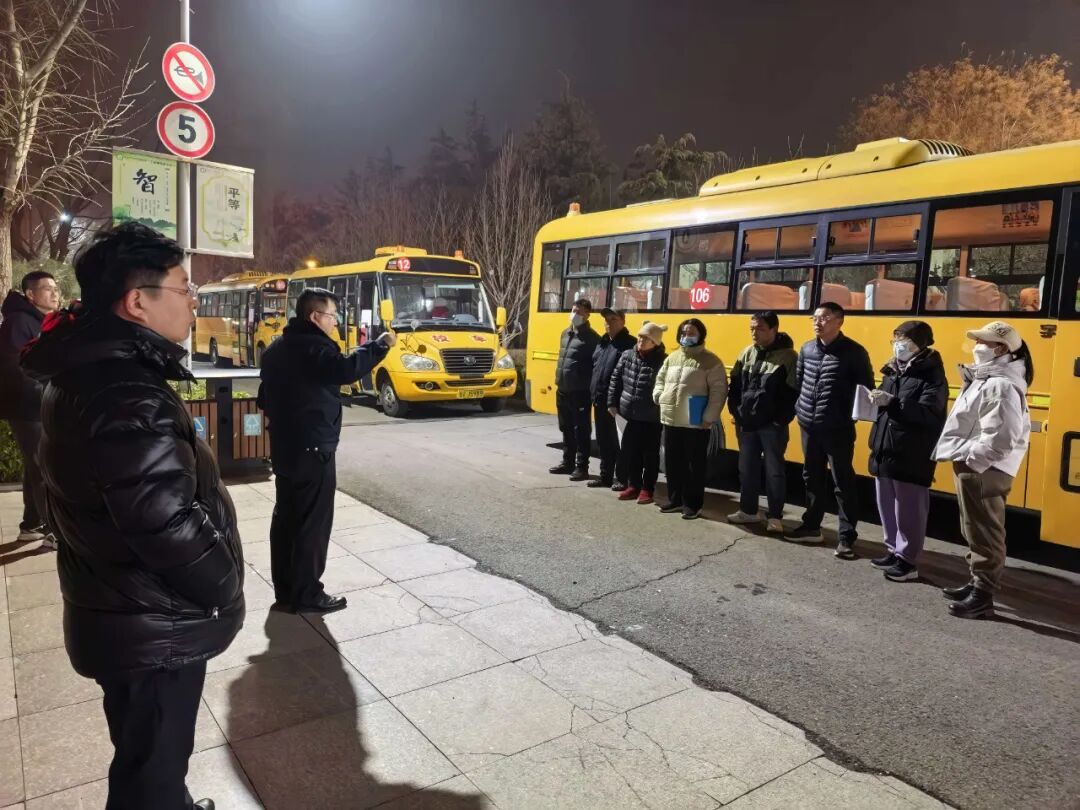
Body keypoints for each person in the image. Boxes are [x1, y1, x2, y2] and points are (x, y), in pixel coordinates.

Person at [22, 222, 241, 810]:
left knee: (146, 752)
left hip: (122, 608)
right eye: (184, 288)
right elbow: (162, 522)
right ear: (137, 301)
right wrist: (224, 585)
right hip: (153, 620)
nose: (193, 302)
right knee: (151, 771)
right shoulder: (128, 394)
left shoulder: (88, 370)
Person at [258, 288, 395, 614]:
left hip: (285, 446)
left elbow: (265, 397)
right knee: (312, 523)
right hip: (313, 448)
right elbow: (345, 370)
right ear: (315, 316)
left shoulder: (277, 348)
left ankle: (287, 591)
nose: (335, 322)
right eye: (333, 316)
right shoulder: (313, 348)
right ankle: (308, 594)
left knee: (287, 518)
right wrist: (379, 346)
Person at [934, 321, 1032, 619]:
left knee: (985, 530)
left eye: (983, 342)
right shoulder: (988, 378)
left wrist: (972, 461)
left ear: (1000, 349)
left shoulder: (1001, 384)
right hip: (976, 464)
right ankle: (976, 581)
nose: (976, 346)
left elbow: (1002, 437)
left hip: (984, 467)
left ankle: (982, 595)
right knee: (974, 527)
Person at [790, 302, 874, 557]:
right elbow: (800, 380)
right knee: (811, 476)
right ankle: (811, 526)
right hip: (809, 425)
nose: (818, 322)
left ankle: (846, 536)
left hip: (838, 428)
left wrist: (843, 415)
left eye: (825, 318)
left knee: (842, 481)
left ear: (839, 321)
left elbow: (865, 389)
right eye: (815, 318)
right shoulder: (807, 349)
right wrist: (802, 411)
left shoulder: (854, 352)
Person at [866, 321, 948, 582]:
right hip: (885, 447)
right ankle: (893, 550)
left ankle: (908, 559)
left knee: (909, 509)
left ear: (919, 344)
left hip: (911, 452)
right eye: (896, 339)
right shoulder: (893, 370)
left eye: (904, 340)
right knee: (886, 504)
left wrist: (893, 402)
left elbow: (930, 414)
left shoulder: (932, 375)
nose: (898, 345)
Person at [0, 270, 60, 546]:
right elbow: (16, 367)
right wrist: (49, 389)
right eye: (48, 288)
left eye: (56, 288)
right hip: (27, 406)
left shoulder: (41, 321)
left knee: (36, 466)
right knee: (43, 466)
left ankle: (32, 524)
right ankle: (53, 529)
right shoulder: (19, 322)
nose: (55, 293)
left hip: (39, 404)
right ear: (31, 294)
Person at [726, 311, 798, 534]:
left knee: (774, 471)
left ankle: (774, 516)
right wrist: (737, 412)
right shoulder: (746, 353)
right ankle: (748, 510)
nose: (754, 333)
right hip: (746, 423)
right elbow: (735, 386)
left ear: (774, 329)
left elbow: (793, 393)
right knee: (747, 469)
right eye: (752, 328)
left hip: (772, 426)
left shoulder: (789, 357)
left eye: (760, 328)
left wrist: (779, 420)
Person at [653, 317, 727, 520]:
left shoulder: (711, 360)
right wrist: (659, 395)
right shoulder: (672, 357)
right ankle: (675, 500)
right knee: (672, 462)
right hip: (671, 418)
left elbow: (719, 391)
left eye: (692, 332)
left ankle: (692, 505)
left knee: (694, 465)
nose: (687, 336)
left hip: (696, 420)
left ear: (701, 335)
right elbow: (660, 380)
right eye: (684, 332)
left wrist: (709, 417)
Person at [607, 321, 668, 504]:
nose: (641, 340)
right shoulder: (627, 355)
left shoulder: (663, 361)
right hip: (628, 414)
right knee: (631, 452)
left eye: (646, 338)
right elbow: (615, 379)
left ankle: (647, 489)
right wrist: (612, 402)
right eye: (640, 336)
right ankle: (633, 485)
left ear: (655, 343)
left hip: (651, 416)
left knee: (649, 455)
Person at [550, 298, 600, 481]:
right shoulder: (565, 333)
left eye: (579, 312)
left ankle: (582, 467)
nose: (574, 314)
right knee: (566, 428)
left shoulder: (593, 338)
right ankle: (567, 462)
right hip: (563, 390)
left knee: (581, 431)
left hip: (580, 392)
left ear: (587, 314)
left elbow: (595, 367)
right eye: (573, 310)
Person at [588, 307, 635, 489]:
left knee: (620, 443)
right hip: (600, 401)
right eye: (606, 320)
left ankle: (622, 479)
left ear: (623, 321)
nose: (609, 323)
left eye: (613, 319)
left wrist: (616, 400)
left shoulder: (630, 344)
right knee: (604, 442)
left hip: (618, 405)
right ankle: (605, 477)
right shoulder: (603, 342)